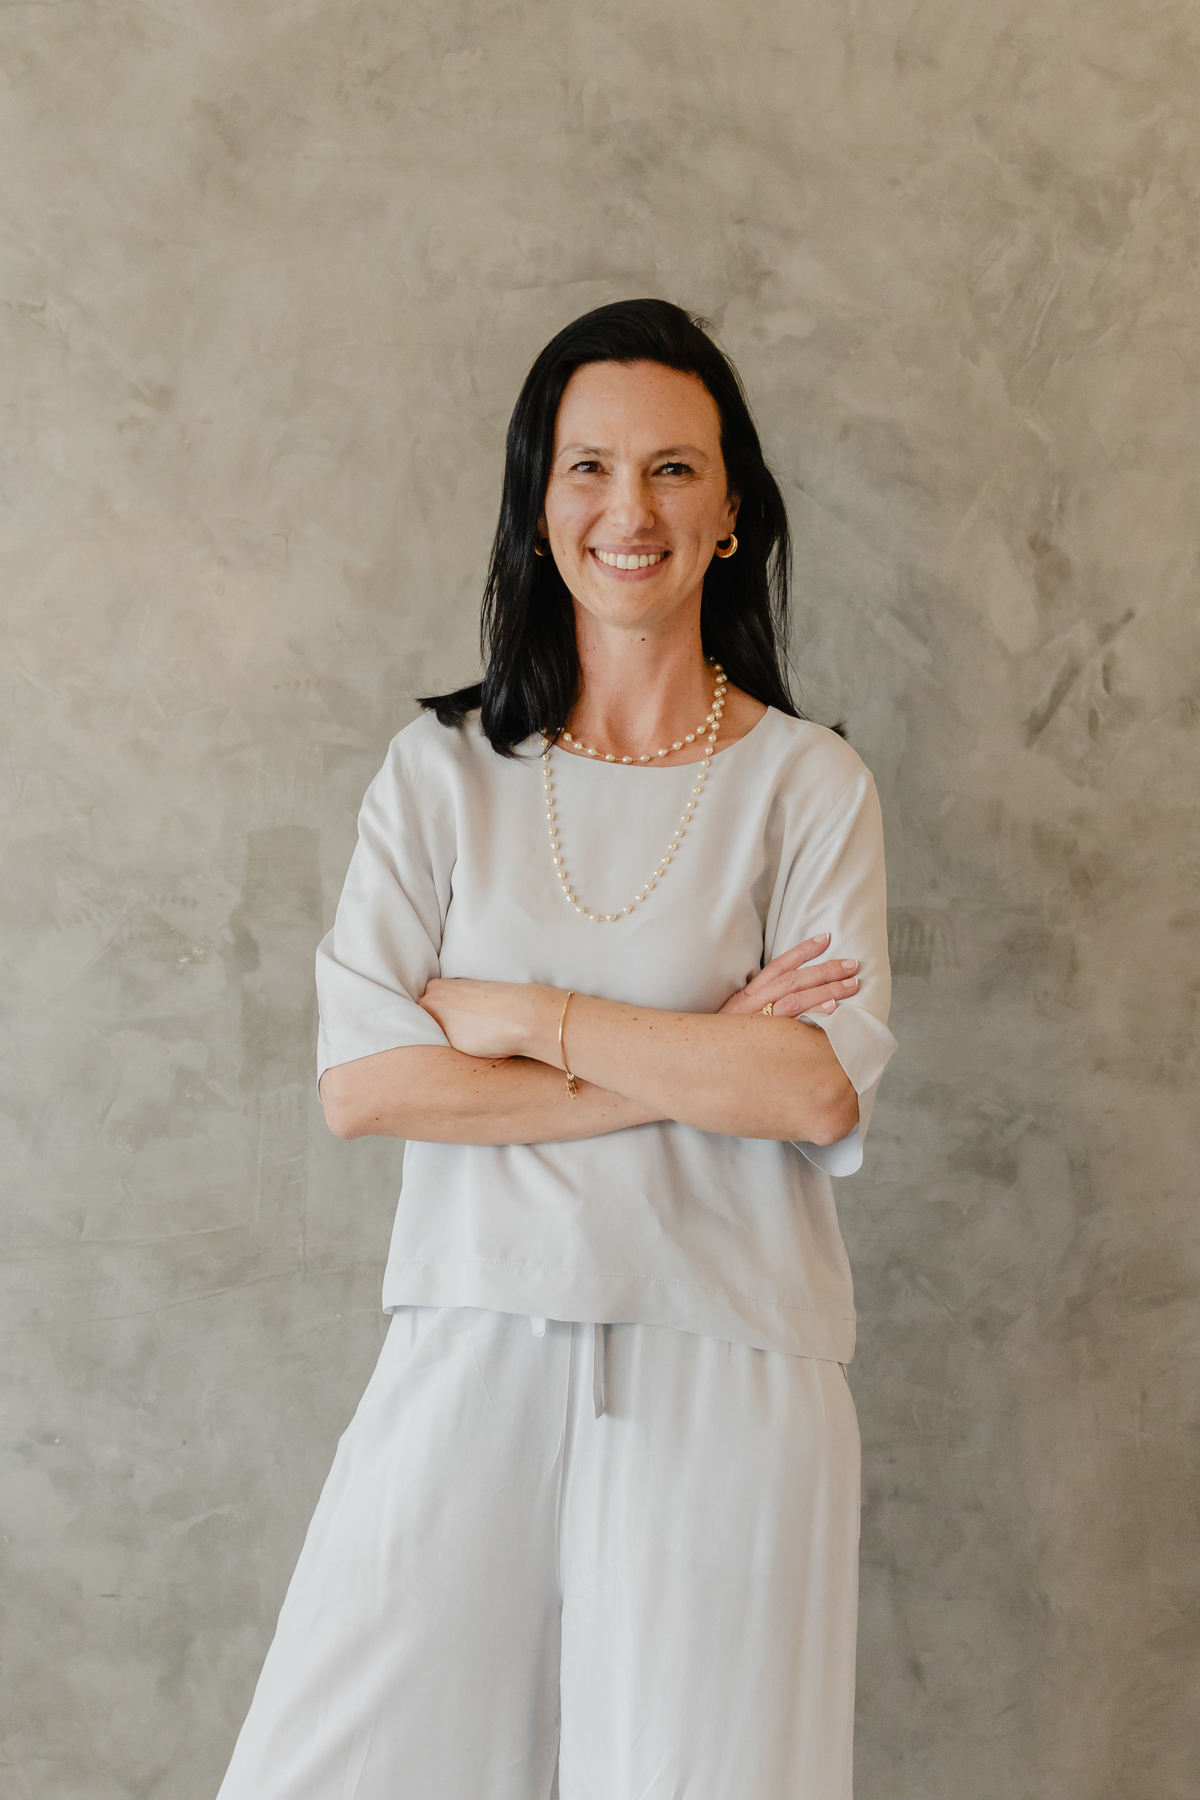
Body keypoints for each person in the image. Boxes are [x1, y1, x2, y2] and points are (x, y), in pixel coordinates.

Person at [216, 298, 896, 1800]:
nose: (628, 510)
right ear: (539, 504)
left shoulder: (810, 787)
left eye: (673, 468)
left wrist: (527, 1019)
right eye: (588, 467)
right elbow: (366, 1086)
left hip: (733, 1357)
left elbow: (809, 1086)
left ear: (731, 511)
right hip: (473, 1330)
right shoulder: (439, 774)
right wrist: (695, 1059)